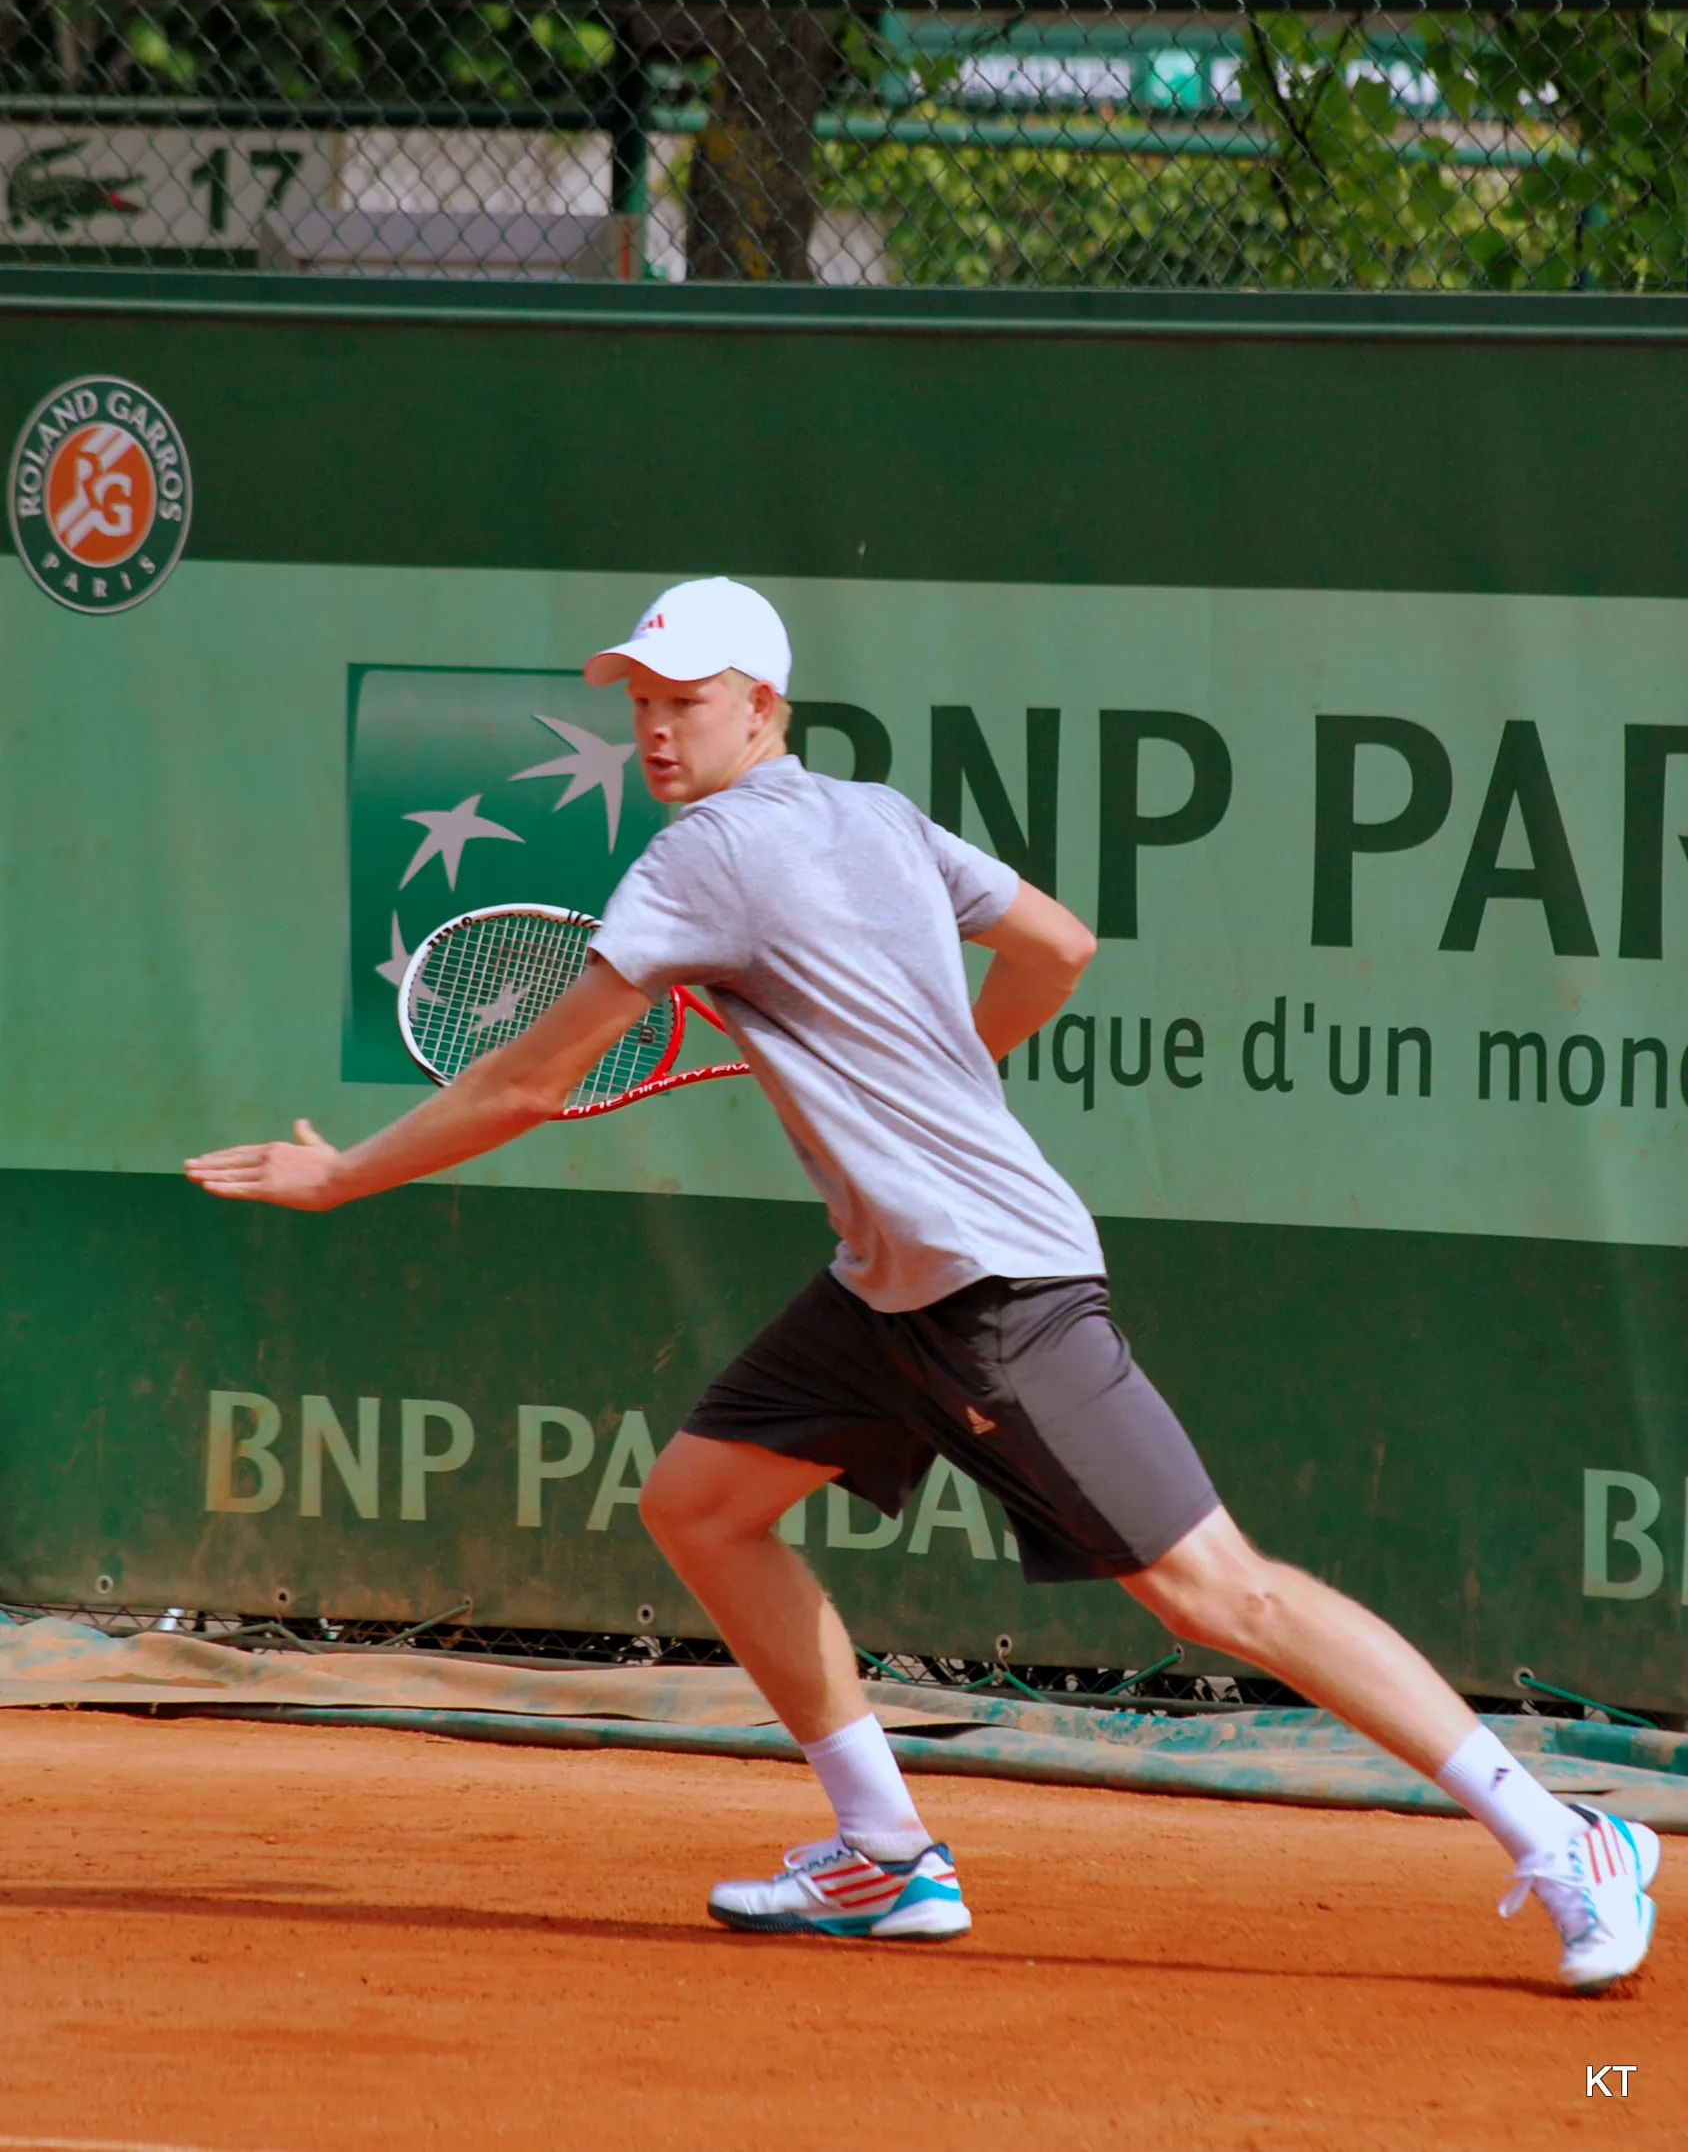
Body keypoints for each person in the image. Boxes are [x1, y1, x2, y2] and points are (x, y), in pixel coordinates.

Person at [187, 575, 1659, 1990]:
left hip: (992, 1293)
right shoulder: (877, 816)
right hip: (887, 1284)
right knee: (700, 1503)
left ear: (761, 706)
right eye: (636, 696)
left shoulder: (701, 858)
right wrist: (951, 1072)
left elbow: (527, 1078)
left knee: (1222, 1594)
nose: (652, 727)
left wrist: (342, 1174)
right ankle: (883, 1847)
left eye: (683, 699)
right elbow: (1058, 945)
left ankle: (1564, 1833)